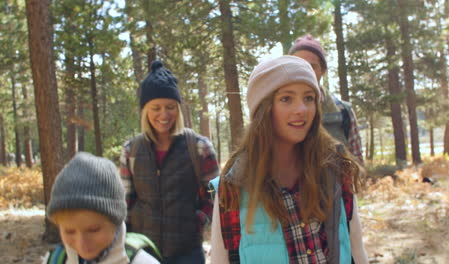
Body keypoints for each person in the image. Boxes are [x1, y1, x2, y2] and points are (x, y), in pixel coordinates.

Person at [210, 56, 368, 263]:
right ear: (264, 109)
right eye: (286, 98)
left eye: (309, 98)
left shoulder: (335, 169)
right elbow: (220, 260)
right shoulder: (233, 185)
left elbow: (356, 248)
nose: (301, 109)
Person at [119, 60, 219, 264]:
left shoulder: (199, 147)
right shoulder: (131, 151)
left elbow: (215, 194)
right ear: (145, 110)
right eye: (156, 107)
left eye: (170, 107)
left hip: (188, 252)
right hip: (143, 253)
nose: (164, 115)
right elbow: (125, 203)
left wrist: (198, 221)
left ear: (178, 109)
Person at [43, 152, 160, 264]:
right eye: (69, 231)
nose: (82, 244)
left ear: (116, 221)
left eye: (93, 230)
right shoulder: (54, 260)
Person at [288, 34, 364, 163]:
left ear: (322, 70)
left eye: (311, 66)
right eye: (297, 65)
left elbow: (357, 165)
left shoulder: (344, 112)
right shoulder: (277, 111)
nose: (304, 71)